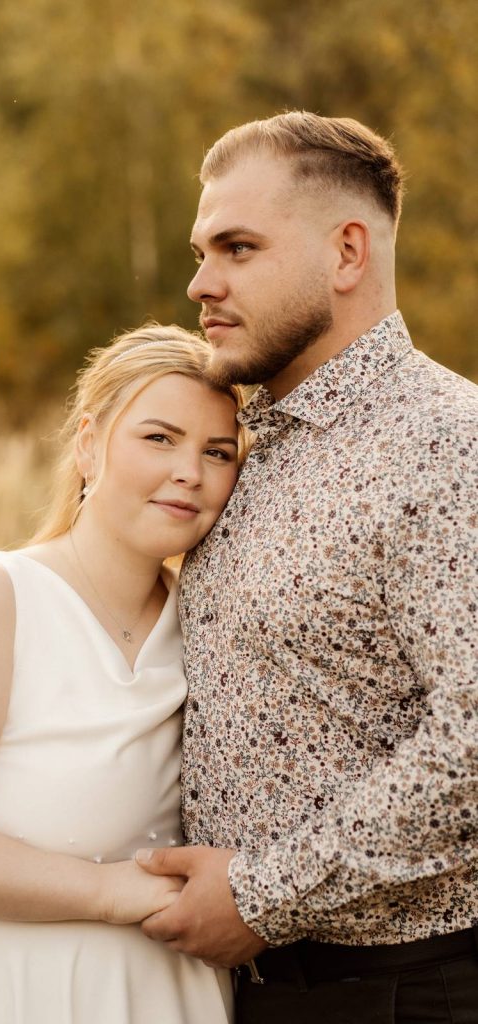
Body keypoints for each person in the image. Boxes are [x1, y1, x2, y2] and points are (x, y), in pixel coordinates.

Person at [136, 112, 478, 1023]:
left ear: (347, 253)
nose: (198, 282)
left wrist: (261, 895)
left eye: (236, 248)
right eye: (201, 250)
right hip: (229, 987)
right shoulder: (234, 444)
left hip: (397, 992)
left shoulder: (447, 447)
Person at [0, 323, 247, 1024]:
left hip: (158, 998)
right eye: (158, 438)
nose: (190, 471)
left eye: (217, 452)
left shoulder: (214, 627)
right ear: (88, 444)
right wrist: (108, 892)